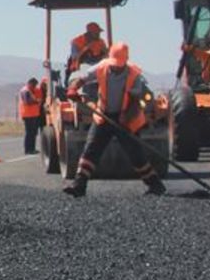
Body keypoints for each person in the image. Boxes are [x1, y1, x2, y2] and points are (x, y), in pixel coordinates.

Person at [63, 42, 166, 197]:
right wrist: (72, 88)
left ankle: (155, 185)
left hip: (127, 116)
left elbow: (134, 102)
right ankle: (79, 185)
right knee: (91, 150)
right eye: (114, 64)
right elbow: (81, 79)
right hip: (103, 116)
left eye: (119, 65)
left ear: (126, 61)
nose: (116, 67)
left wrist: (124, 121)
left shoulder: (133, 74)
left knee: (135, 154)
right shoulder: (102, 67)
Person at [17, 77, 43, 154]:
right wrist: (37, 101)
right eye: (34, 85)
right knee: (29, 133)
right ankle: (28, 149)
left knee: (33, 132)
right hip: (28, 115)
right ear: (30, 84)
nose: (35, 87)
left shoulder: (31, 90)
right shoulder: (25, 91)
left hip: (33, 114)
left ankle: (32, 148)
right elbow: (27, 101)